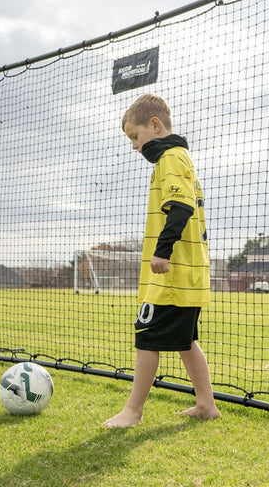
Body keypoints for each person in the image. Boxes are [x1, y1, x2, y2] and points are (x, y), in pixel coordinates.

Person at [103, 93, 220, 428]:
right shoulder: (180, 158)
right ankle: (206, 404)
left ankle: (133, 411)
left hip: (172, 275)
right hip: (189, 276)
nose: (135, 146)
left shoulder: (171, 158)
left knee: (146, 335)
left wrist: (162, 252)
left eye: (135, 137)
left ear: (155, 126)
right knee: (186, 342)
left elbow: (180, 208)